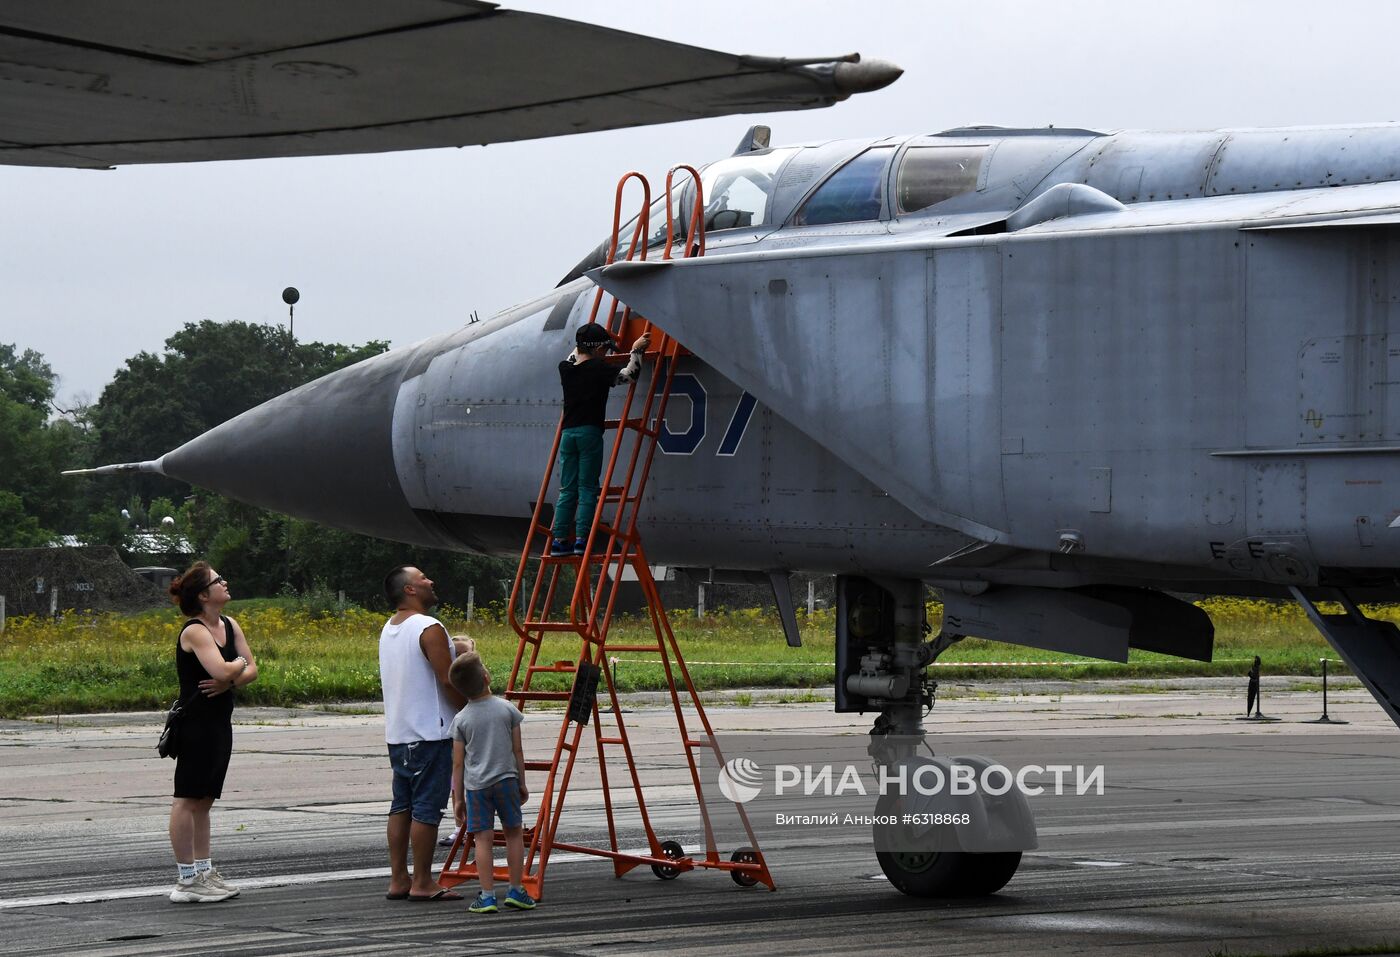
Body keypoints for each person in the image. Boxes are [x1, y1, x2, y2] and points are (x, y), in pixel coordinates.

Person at [167, 561, 258, 904]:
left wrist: (230, 677)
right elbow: (226, 668)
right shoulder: (195, 630)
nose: (226, 582)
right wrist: (235, 669)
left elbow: (254, 670)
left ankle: (204, 871)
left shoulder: (230, 624)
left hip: (219, 721)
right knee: (187, 798)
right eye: (219, 581)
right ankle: (186, 879)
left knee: (205, 801)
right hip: (195, 723)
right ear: (204, 595)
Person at [380, 565, 466, 901]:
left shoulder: (390, 628)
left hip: (400, 732)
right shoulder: (429, 627)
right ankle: (423, 882)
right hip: (431, 733)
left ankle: (399, 878)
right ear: (410, 590)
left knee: (401, 805)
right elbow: (448, 679)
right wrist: (468, 709)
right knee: (427, 809)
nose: (430, 581)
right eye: (423, 578)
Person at [550, 324, 650, 556]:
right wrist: (636, 351)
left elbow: (574, 356)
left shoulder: (565, 368)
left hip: (568, 435)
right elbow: (629, 376)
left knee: (567, 490)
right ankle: (582, 540)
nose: (607, 353)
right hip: (589, 434)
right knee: (587, 489)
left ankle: (560, 540)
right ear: (596, 349)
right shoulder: (599, 368)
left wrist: (587, 346)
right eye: (605, 348)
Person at [449, 650, 533, 913]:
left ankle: (486, 896)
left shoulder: (461, 719)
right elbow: (517, 750)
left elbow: (458, 763)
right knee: (513, 833)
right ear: (486, 677)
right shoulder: (507, 709)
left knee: (482, 839)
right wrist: (522, 781)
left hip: (477, 787)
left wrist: (458, 798)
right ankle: (517, 889)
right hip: (507, 780)